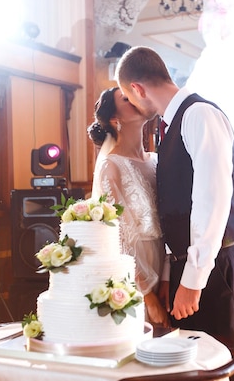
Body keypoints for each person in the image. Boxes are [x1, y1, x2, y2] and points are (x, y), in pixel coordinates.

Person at [115, 46, 234, 381]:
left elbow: (213, 201)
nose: (132, 104)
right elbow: (175, 207)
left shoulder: (200, 115)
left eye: (128, 97)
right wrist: (168, 276)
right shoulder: (169, 124)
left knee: (224, 366)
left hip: (216, 267)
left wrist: (192, 281)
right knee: (191, 369)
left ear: (137, 89)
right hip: (187, 266)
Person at [87, 86, 169, 327]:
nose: (136, 98)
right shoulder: (110, 167)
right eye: (126, 98)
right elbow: (117, 238)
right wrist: (148, 296)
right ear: (115, 119)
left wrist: (166, 277)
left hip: (166, 264)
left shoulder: (156, 161)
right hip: (134, 269)